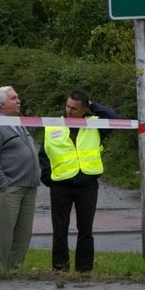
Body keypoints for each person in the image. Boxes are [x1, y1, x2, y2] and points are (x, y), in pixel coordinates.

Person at [38, 90, 119, 273]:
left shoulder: (95, 124)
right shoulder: (53, 125)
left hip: (87, 185)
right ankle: (60, 269)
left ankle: (84, 270)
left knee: (86, 230)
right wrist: (48, 179)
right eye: (67, 106)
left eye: (74, 108)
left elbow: (113, 117)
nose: (69, 111)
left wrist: (92, 104)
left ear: (84, 110)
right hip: (61, 185)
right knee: (60, 230)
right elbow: (44, 154)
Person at [0, 86, 39, 273]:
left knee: (23, 233)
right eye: (14, 98)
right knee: (3, 233)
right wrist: (3, 183)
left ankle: (14, 270)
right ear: (2, 105)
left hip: (29, 186)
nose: (19, 100)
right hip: (10, 188)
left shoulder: (19, 122)